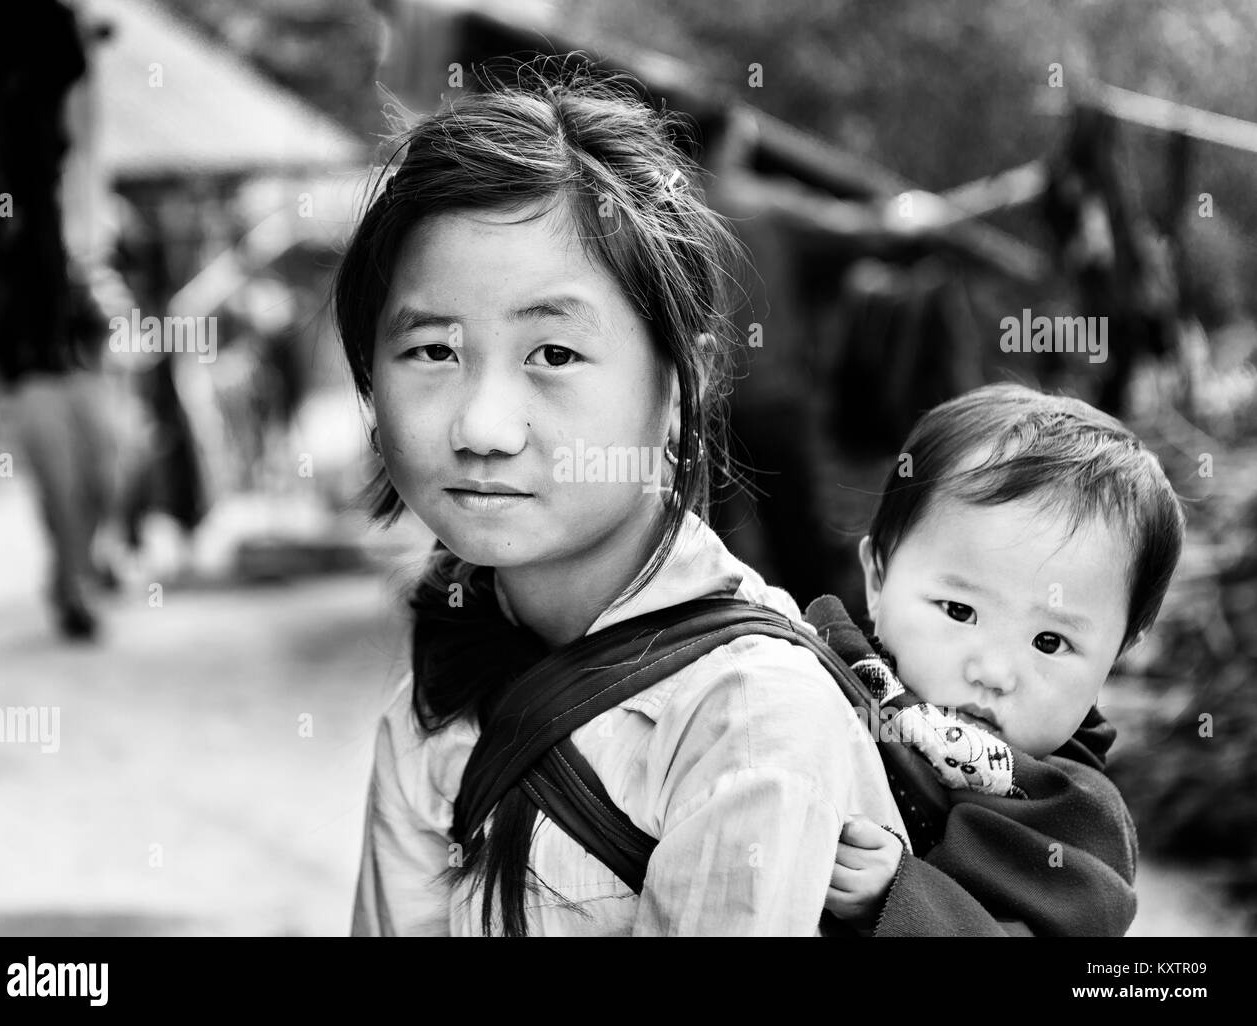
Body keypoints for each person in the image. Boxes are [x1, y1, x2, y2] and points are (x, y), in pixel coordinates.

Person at [337, 62, 909, 936]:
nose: (483, 427)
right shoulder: (444, 681)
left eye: (555, 354)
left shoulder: (751, 721)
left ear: (686, 379)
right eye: (433, 351)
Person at [818, 382, 1186, 935]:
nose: (992, 672)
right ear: (877, 579)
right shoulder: (815, 680)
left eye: (1049, 643)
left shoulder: (1073, 822)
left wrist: (899, 898)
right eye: (959, 611)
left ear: (1115, 659)